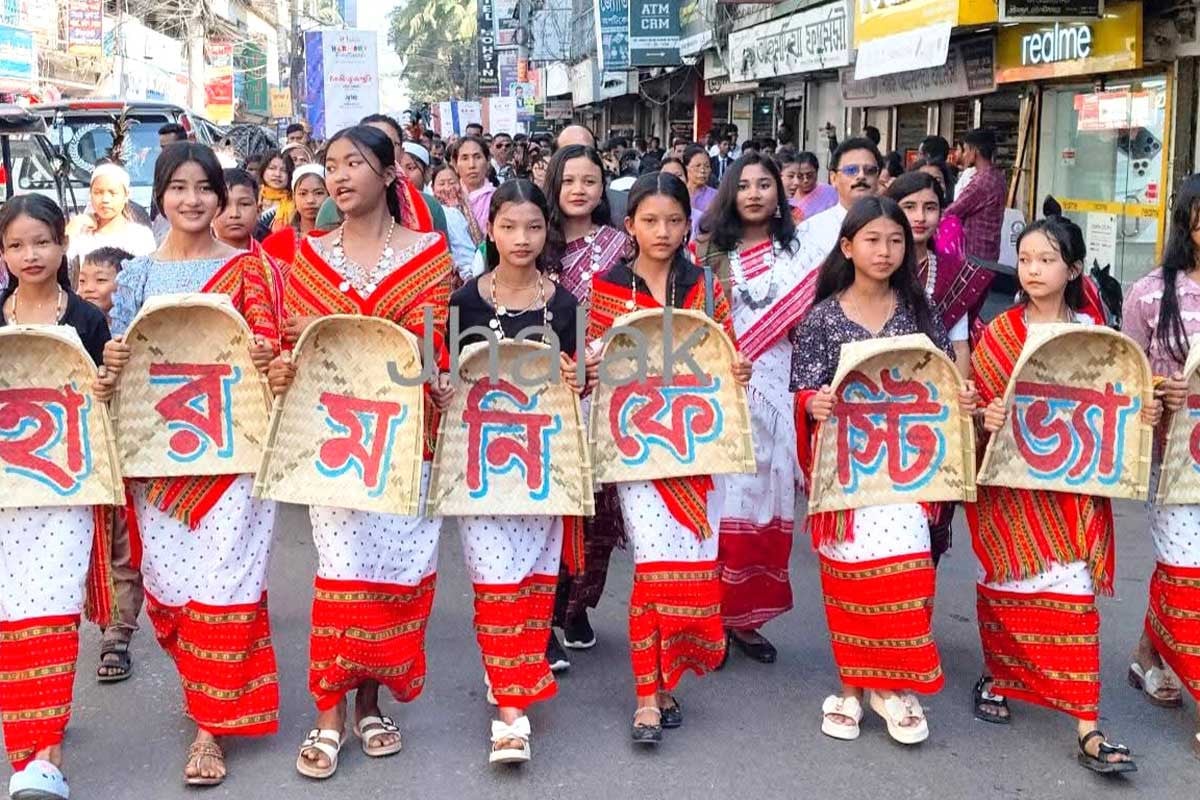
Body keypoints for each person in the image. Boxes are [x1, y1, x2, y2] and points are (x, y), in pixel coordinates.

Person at [266, 125, 453, 780]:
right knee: (342, 576)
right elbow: (300, 349)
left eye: (354, 164)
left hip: (407, 442)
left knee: (397, 576)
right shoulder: (308, 257)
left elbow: (431, 350)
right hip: (336, 442)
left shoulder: (430, 255)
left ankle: (370, 703)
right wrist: (291, 362)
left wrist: (345, 333)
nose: (340, 176)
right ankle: (328, 711)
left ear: (388, 173)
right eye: (331, 165)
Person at [97, 143, 282, 787]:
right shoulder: (140, 276)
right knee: (172, 595)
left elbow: (271, 359)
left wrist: (267, 357)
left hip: (236, 456)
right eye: (179, 187)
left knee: (224, 584)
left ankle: (210, 726)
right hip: (160, 458)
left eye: (205, 187)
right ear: (160, 196)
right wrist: (110, 368)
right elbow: (116, 363)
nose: (194, 200)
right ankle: (207, 687)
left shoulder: (250, 271)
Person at [968, 204, 1147, 773]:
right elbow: (976, 417)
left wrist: (1140, 416)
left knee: (1074, 600)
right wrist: (984, 418)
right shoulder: (998, 333)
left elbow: (1119, 412)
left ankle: (1087, 723)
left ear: (1073, 269)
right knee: (1007, 589)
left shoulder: (1097, 337)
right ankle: (1001, 676)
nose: (1033, 270)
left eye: (1047, 259)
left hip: (1071, 492)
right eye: (1024, 259)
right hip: (1010, 493)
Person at [791, 196, 973, 746]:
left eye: (896, 240)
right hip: (847, 467)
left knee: (906, 573)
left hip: (908, 469)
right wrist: (810, 406)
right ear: (847, 247)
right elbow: (803, 385)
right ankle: (851, 683)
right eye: (872, 240)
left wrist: (962, 398)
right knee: (851, 579)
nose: (886, 250)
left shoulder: (919, 312)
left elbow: (942, 377)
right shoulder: (822, 316)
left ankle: (893, 686)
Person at [587, 172, 752, 744]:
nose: (663, 231)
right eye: (650, 221)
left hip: (700, 448)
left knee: (689, 569)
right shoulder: (607, 288)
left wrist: (738, 370)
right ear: (629, 225)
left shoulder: (706, 286)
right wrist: (587, 367)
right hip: (639, 452)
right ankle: (645, 696)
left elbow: (726, 349)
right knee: (654, 570)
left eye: (674, 220)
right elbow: (596, 367)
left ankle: (666, 676)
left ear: (689, 224)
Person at [438, 179, 584, 764]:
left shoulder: (566, 304)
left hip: (543, 463)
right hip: (480, 466)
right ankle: (510, 710)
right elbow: (445, 376)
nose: (521, 239)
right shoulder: (465, 302)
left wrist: (580, 379)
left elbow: (577, 389)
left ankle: (517, 683)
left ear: (546, 231)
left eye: (533, 227)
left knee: (532, 585)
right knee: (494, 582)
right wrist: (444, 386)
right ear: (489, 230)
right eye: (508, 227)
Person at [0, 195, 111, 800]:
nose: (29, 255)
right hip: (6, 496)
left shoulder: (89, 322)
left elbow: (107, 406)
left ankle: (47, 753)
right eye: (15, 245)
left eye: (40, 242)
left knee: (52, 612)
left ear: (62, 246)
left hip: (69, 491)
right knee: (12, 617)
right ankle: (30, 740)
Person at [698, 153, 824, 664]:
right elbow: (697, 321)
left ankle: (745, 620)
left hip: (778, 391)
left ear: (780, 194)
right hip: (724, 391)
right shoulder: (709, 253)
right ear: (732, 192)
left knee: (765, 506)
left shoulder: (801, 254)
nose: (754, 193)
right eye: (744, 184)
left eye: (764, 184)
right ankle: (711, 618)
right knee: (724, 506)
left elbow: (813, 326)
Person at [542, 144, 629, 662]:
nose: (579, 189)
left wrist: (597, 359)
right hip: (548, 388)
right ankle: (545, 616)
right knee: (554, 507)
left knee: (597, 511)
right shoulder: (533, 236)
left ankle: (578, 608)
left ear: (602, 189)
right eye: (569, 180)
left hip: (606, 386)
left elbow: (631, 309)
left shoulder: (620, 246)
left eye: (590, 181)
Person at [1122, 173, 1200, 749]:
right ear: (1188, 225)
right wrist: (1157, 389)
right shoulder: (1151, 292)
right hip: (1171, 458)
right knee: (1184, 571)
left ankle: (1147, 654)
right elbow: (1125, 375)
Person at [76, 245, 144, 684]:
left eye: (101, 279)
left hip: (115, 444)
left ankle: (116, 630)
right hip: (65, 453)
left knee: (117, 538)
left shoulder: (110, 327)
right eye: (84, 279)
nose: (90, 288)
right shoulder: (19, 313)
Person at [886, 172, 972, 374]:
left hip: (936, 386)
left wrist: (958, 397)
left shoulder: (952, 272)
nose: (920, 217)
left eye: (930, 208)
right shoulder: (876, 265)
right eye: (909, 207)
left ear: (941, 213)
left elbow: (959, 345)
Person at [799, 138, 882, 261]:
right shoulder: (810, 231)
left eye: (869, 170)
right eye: (851, 170)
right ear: (833, 178)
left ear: (878, 178)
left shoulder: (891, 226)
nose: (861, 176)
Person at [65, 164, 157, 264]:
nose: (105, 200)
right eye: (98, 192)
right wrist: (74, 226)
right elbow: (61, 265)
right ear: (90, 194)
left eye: (113, 193)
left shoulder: (140, 237)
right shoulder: (80, 234)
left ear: (126, 195)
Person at [946, 128, 1006, 264]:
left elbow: (953, 211)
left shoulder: (983, 181)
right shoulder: (996, 176)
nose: (963, 154)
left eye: (966, 150)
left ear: (975, 151)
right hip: (988, 251)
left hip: (976, 255)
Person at [262, 165, 327, 266]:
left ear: (329, 195)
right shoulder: (275, 243)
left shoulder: (342, 240)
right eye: (302, 193)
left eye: (318, 193)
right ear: (293, 197)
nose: (310, 200)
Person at [451, 136, 496, 234]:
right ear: (455, 165)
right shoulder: (447, 197)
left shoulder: (498, 198)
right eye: (465, 158)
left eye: (477, 157)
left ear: (488, 162)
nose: (472, 165)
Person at [212, 168, 262, 253]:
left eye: (244, 204)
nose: (234, 214)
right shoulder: (193, 262)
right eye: (223, 205)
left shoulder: (274, 264)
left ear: (258, 211)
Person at [256, 149, 295, 238]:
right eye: (272, 168)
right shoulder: (252, 196)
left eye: (283, 170)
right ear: (263, 170)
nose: (277, 174)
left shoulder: (294, 203)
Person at [791, 151, 839, 223]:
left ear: (816, 172)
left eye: (809, 175)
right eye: (800, 176)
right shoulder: (789, 194)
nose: (805, 180)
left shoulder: (830, 193)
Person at [683, 145, 717, 239]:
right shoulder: (679, 193)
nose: (702, 171)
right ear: (686, 168)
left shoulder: (716, 196)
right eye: (697, 166)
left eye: (706, 166)